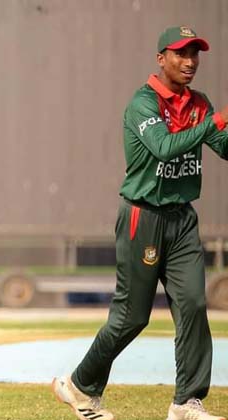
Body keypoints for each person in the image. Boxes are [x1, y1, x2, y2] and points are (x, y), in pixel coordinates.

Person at [52, 26, 228, 420]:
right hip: (142, 216)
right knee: (132, 316)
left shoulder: (199, 104)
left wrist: (220, 125)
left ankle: (186, 403)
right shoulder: (143, 103)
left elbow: (224, 146)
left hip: (182, 219)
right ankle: (78, 386)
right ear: (161, 58)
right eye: (181, 53)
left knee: (194, 304)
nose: (190, 62)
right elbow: (164, 147)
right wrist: (216, 121)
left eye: (195, 54)